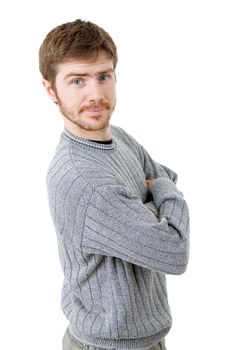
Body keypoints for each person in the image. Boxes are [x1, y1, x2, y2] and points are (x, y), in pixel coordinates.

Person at [39, 18, 190, 350]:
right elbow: (175, 249)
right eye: (77, 81)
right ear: (51, 89)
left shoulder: (119, 139)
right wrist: (155, 208)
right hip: (107, 344)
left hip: (144, 336)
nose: (96, 94)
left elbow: (168, 177)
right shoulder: (82, 180)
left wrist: (142, 209)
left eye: (103, 77)